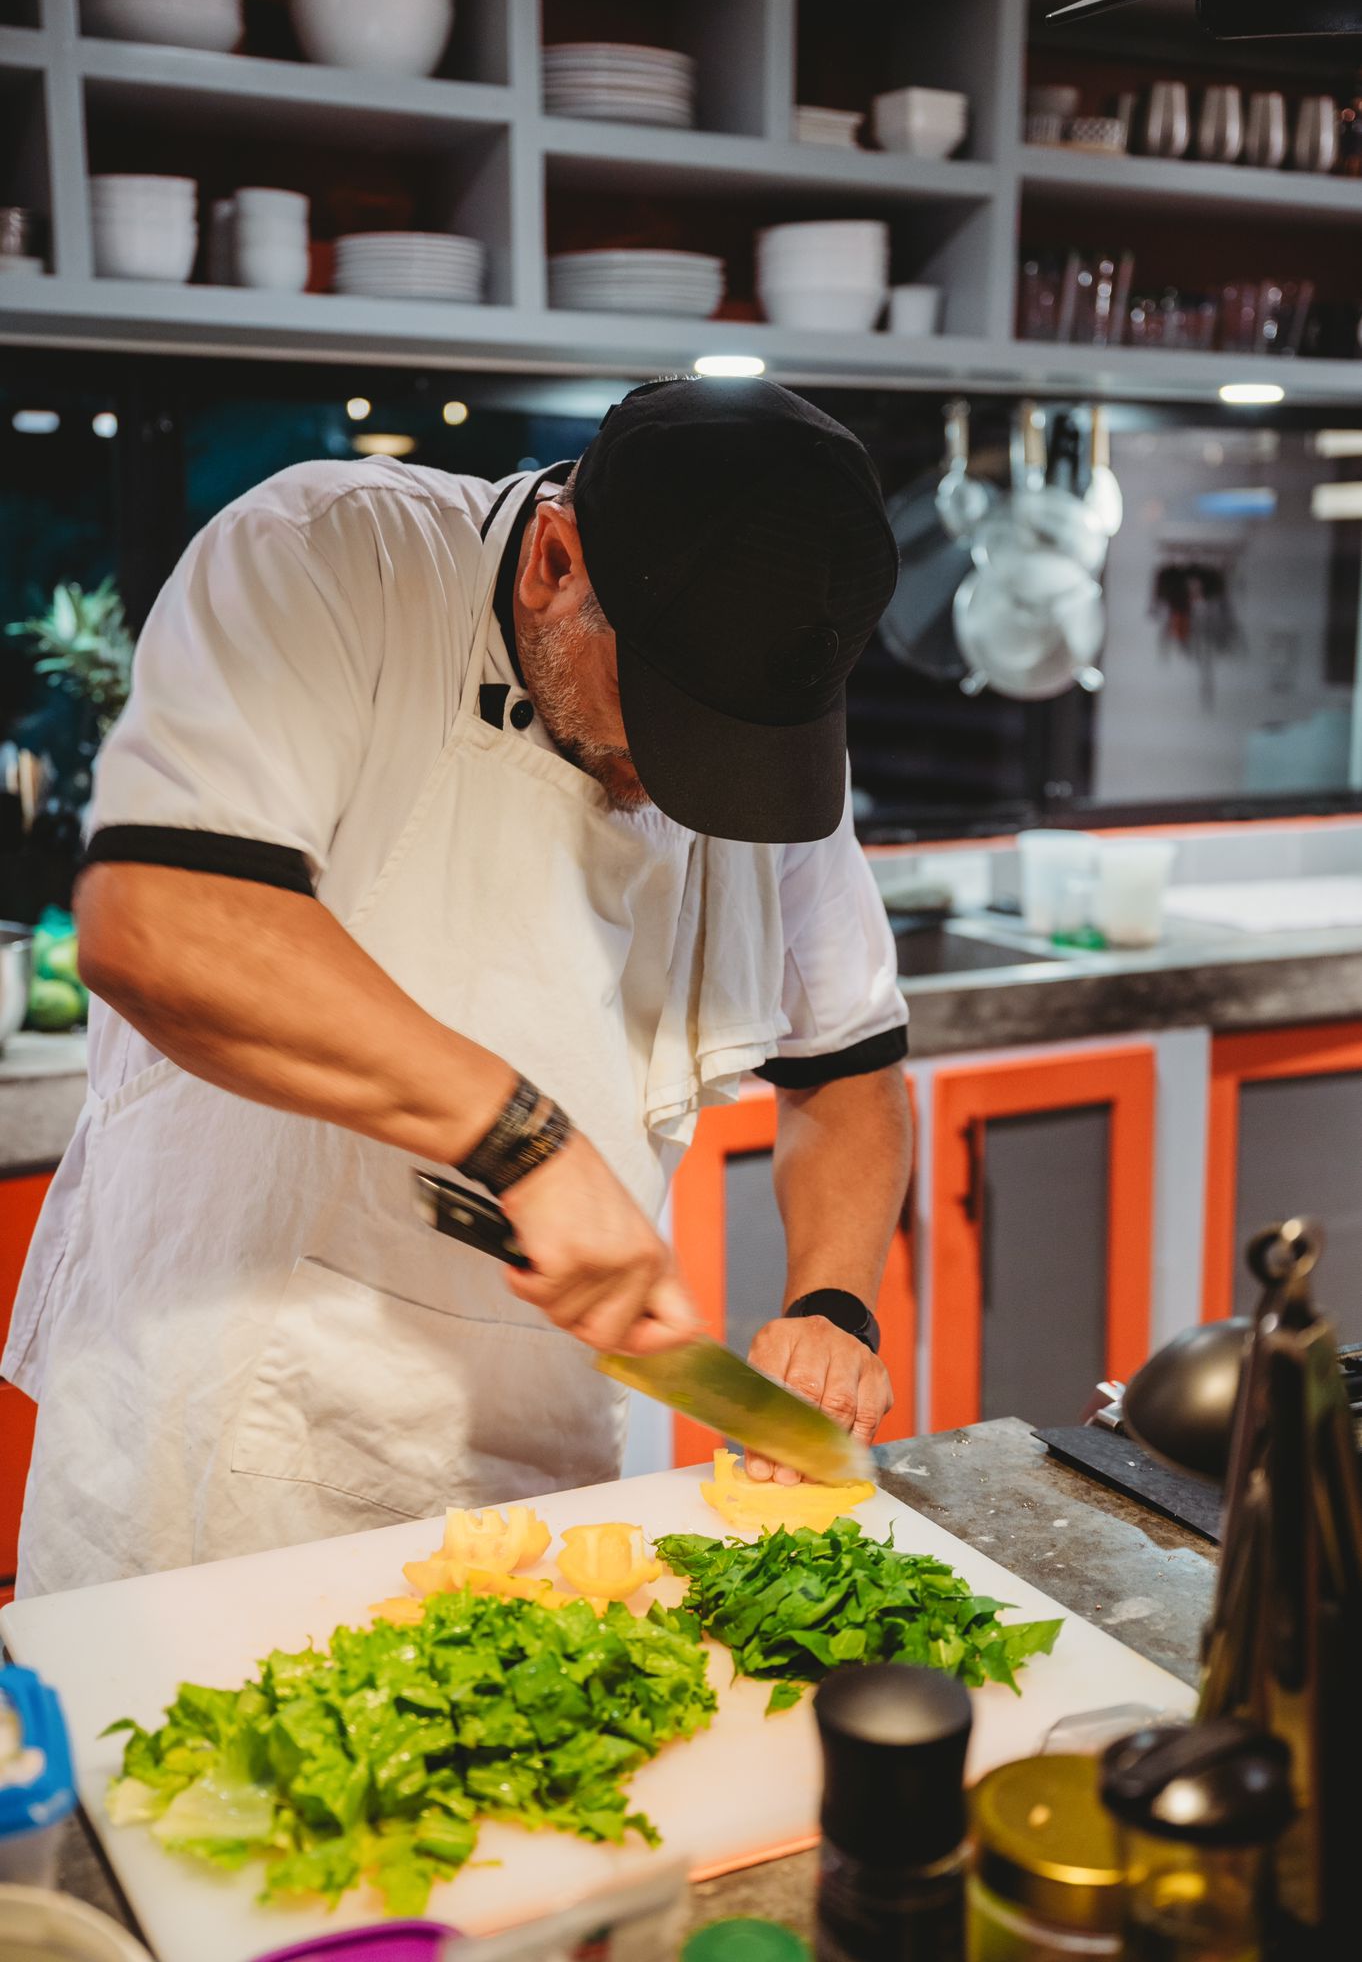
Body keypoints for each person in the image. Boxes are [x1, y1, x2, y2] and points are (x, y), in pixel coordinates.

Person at [4, 375, 912, 1597]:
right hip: (214, 1464)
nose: (682, 790)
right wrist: (527, 1141)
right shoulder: (327, 558)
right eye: (662, 734)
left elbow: (849, 1069)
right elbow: (161, 923)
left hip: (541, 1456)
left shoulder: (749, 721)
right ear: (553, 561)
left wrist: (835, 1301)